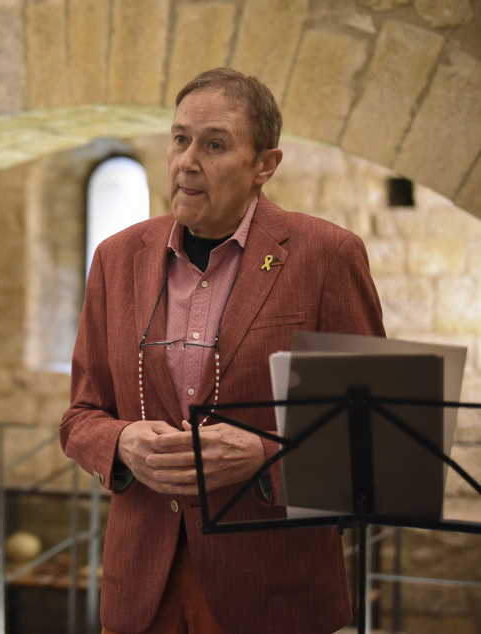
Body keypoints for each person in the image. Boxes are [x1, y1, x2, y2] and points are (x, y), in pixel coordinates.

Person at [60, 67, 385, 634]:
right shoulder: (117, 258)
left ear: (265, 164)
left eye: (215, 144)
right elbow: (80, 417)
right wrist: (121, 442)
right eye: (180, 138)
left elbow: (372, 441)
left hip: (274, 590)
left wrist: (264, 457)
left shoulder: (326, 257)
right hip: (143, 591)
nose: (187, 160)